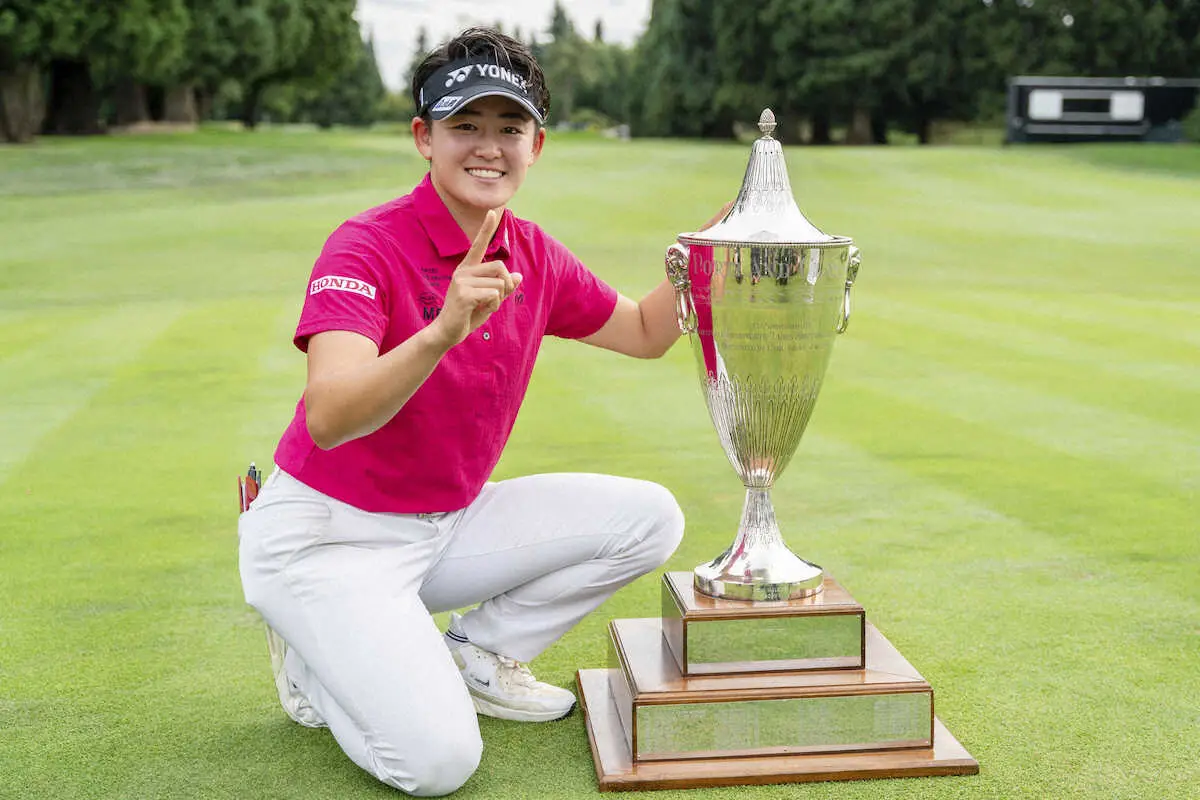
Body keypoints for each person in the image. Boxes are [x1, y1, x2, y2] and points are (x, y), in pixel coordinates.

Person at [237, 27, 709, 797]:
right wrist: (441, 331)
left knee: (650, 517)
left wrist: (715, 247)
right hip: (329, 541)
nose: (489, 147)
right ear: (424, 137)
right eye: (465, 125)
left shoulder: (535, 255)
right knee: (437, 766)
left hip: (442, 529)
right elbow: (328, 416)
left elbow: (649, 332)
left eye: (509, 128)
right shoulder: (364, 247)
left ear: (537, 146)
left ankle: (479, 655)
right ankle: (316, 664)